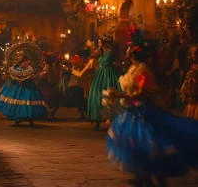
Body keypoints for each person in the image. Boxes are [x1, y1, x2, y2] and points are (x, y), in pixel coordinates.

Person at [103, 27, 198, 187]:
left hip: (144, 112)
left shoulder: (143, 70)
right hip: (131, 111)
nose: (126, 50)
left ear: (133, 52)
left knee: (149, 144)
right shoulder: (132, 68)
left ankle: (154, 177)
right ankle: (142, 176)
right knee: (132, 143)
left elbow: (142, 94)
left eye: (128, 48)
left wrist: (120, 96)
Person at [0, 42, 48, 127]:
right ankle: (17, 120)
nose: (19, 57)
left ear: (24, 57)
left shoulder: (29, 67)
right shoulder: (14, 67)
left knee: (28, 102)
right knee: (16, 103)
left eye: (20, 56)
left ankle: (30, 119)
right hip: (17, 87)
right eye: (18, 56)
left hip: (28, 86)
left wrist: (35, 76)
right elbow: (12, 75)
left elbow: (31, 75)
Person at [85, 36, 121, 130]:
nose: (99, 44)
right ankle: (97, 120)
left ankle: (114, 120)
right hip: (100, 74)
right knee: (96, 95)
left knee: (109, 95)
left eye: (100, 42)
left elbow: (116, 60)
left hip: (109, 74)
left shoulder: (111, 52)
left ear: (105, 43)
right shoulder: (101, 52)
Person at [180, 45, 198, 119]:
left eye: (195, 54)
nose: (193, 56)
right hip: (192, 98)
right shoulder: (191, 67)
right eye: (193, 54)